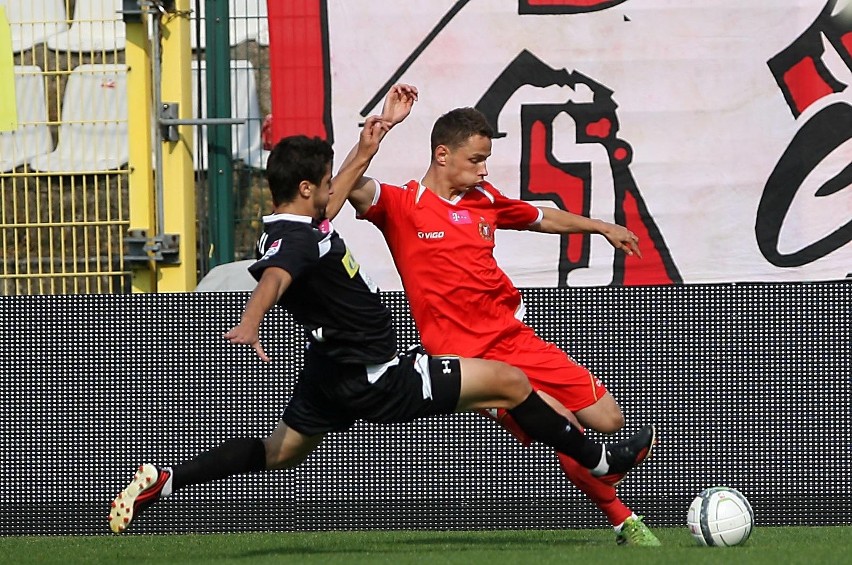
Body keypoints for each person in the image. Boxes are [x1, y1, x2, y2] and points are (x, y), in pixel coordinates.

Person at [108, 106, 655, 534]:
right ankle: (602, 468)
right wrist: (250, 323)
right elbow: (277, 275)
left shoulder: (294, 225)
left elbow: (327, 203)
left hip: (331, 368)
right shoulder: (316, 231)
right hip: (383, 370)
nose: (334, 192)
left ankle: (169, 478)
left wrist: (372, 139)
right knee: (512, 386)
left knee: (281, 450)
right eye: (326, 184)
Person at [340, 89, 662, 546]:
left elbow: (540, 217)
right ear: (442, 153)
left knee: (607, 420)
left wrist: (601, 226)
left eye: (487, 159)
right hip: (471, 362)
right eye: (476, 159)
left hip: (514, 335)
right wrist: (381, 131)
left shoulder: (484, 197)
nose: (484, 169)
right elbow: (347, 186)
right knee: (563, 429)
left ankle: (605, 475)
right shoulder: (401, 204)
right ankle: (623, 520)